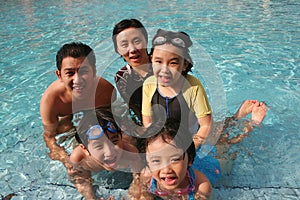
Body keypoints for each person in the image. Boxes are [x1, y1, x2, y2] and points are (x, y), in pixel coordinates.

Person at [40, 42, 116, 171]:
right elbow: (49, 136)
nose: (78, 80)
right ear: (59, 75)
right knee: (64, 129)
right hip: (66, 122)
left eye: (84, 71)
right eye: (70, 73)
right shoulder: (52, 100)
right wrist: (65, 159)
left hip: (94, 115)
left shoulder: (104, 91)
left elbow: (112, 122)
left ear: (94, 71)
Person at [142, 29, 212, 149]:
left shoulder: (193, 87)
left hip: (190, 140)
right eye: (158, 61)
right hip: (161, 141)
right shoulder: (149, 84)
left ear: (184, 64)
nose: (164, 69)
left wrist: (190, 150)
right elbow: (148, 122)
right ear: (151, 59)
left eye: (173, 63)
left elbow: (206, 125)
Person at [128, 119, 212, 200]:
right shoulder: (146, 178)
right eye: (156, 161)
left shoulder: (200, 186)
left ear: (190, 160)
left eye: (175, 159)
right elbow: (136, 195)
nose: (166, 170)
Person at [69, 109, 143, 199]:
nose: (110, 153)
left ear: (120, 137)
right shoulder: (79, 159)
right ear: (85, 149)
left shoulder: (131, 153)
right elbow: (81, 181)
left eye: (115, 141)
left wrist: (134, 192)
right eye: (99, 147)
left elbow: (138, 178)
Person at [113, 18, 153, 126]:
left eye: (137, 41)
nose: (132, 49)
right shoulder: (122, 77)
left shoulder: (163, 66)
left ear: (146, 40)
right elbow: (136, 111)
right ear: (118, 50)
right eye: (124, 45)